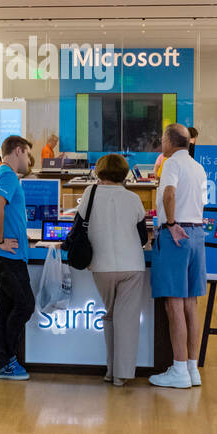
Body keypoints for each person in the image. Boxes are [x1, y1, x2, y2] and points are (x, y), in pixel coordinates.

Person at [148, 123, 209, 389]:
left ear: (170, 141)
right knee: (190, 304)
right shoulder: (198, 167)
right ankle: (192, 368)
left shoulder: (171, 163)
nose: (161, 142)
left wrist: (171, 223)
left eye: (162, 138)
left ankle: (179, 369)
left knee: (173, 304)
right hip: (196, 235)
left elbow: (169, 193)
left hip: (176, 235)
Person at [82, 154, 150, 386]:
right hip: (132, 266)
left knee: (110, 316)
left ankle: (110, 370)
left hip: (101, 267)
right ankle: (121, 375)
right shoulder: (133, 199)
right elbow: (142, 236)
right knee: (126, 321)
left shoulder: (88, 195)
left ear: (100, 172)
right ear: (124, 173)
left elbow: (79, 228)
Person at [0, 135, 34, 381]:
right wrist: (0, 239)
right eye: (26, 154)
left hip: (4, 253)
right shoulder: (7, 176)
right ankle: (6, 360)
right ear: (18, 151)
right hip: (8, 255)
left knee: (4, 308)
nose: (28, 160)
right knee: (25, 304)